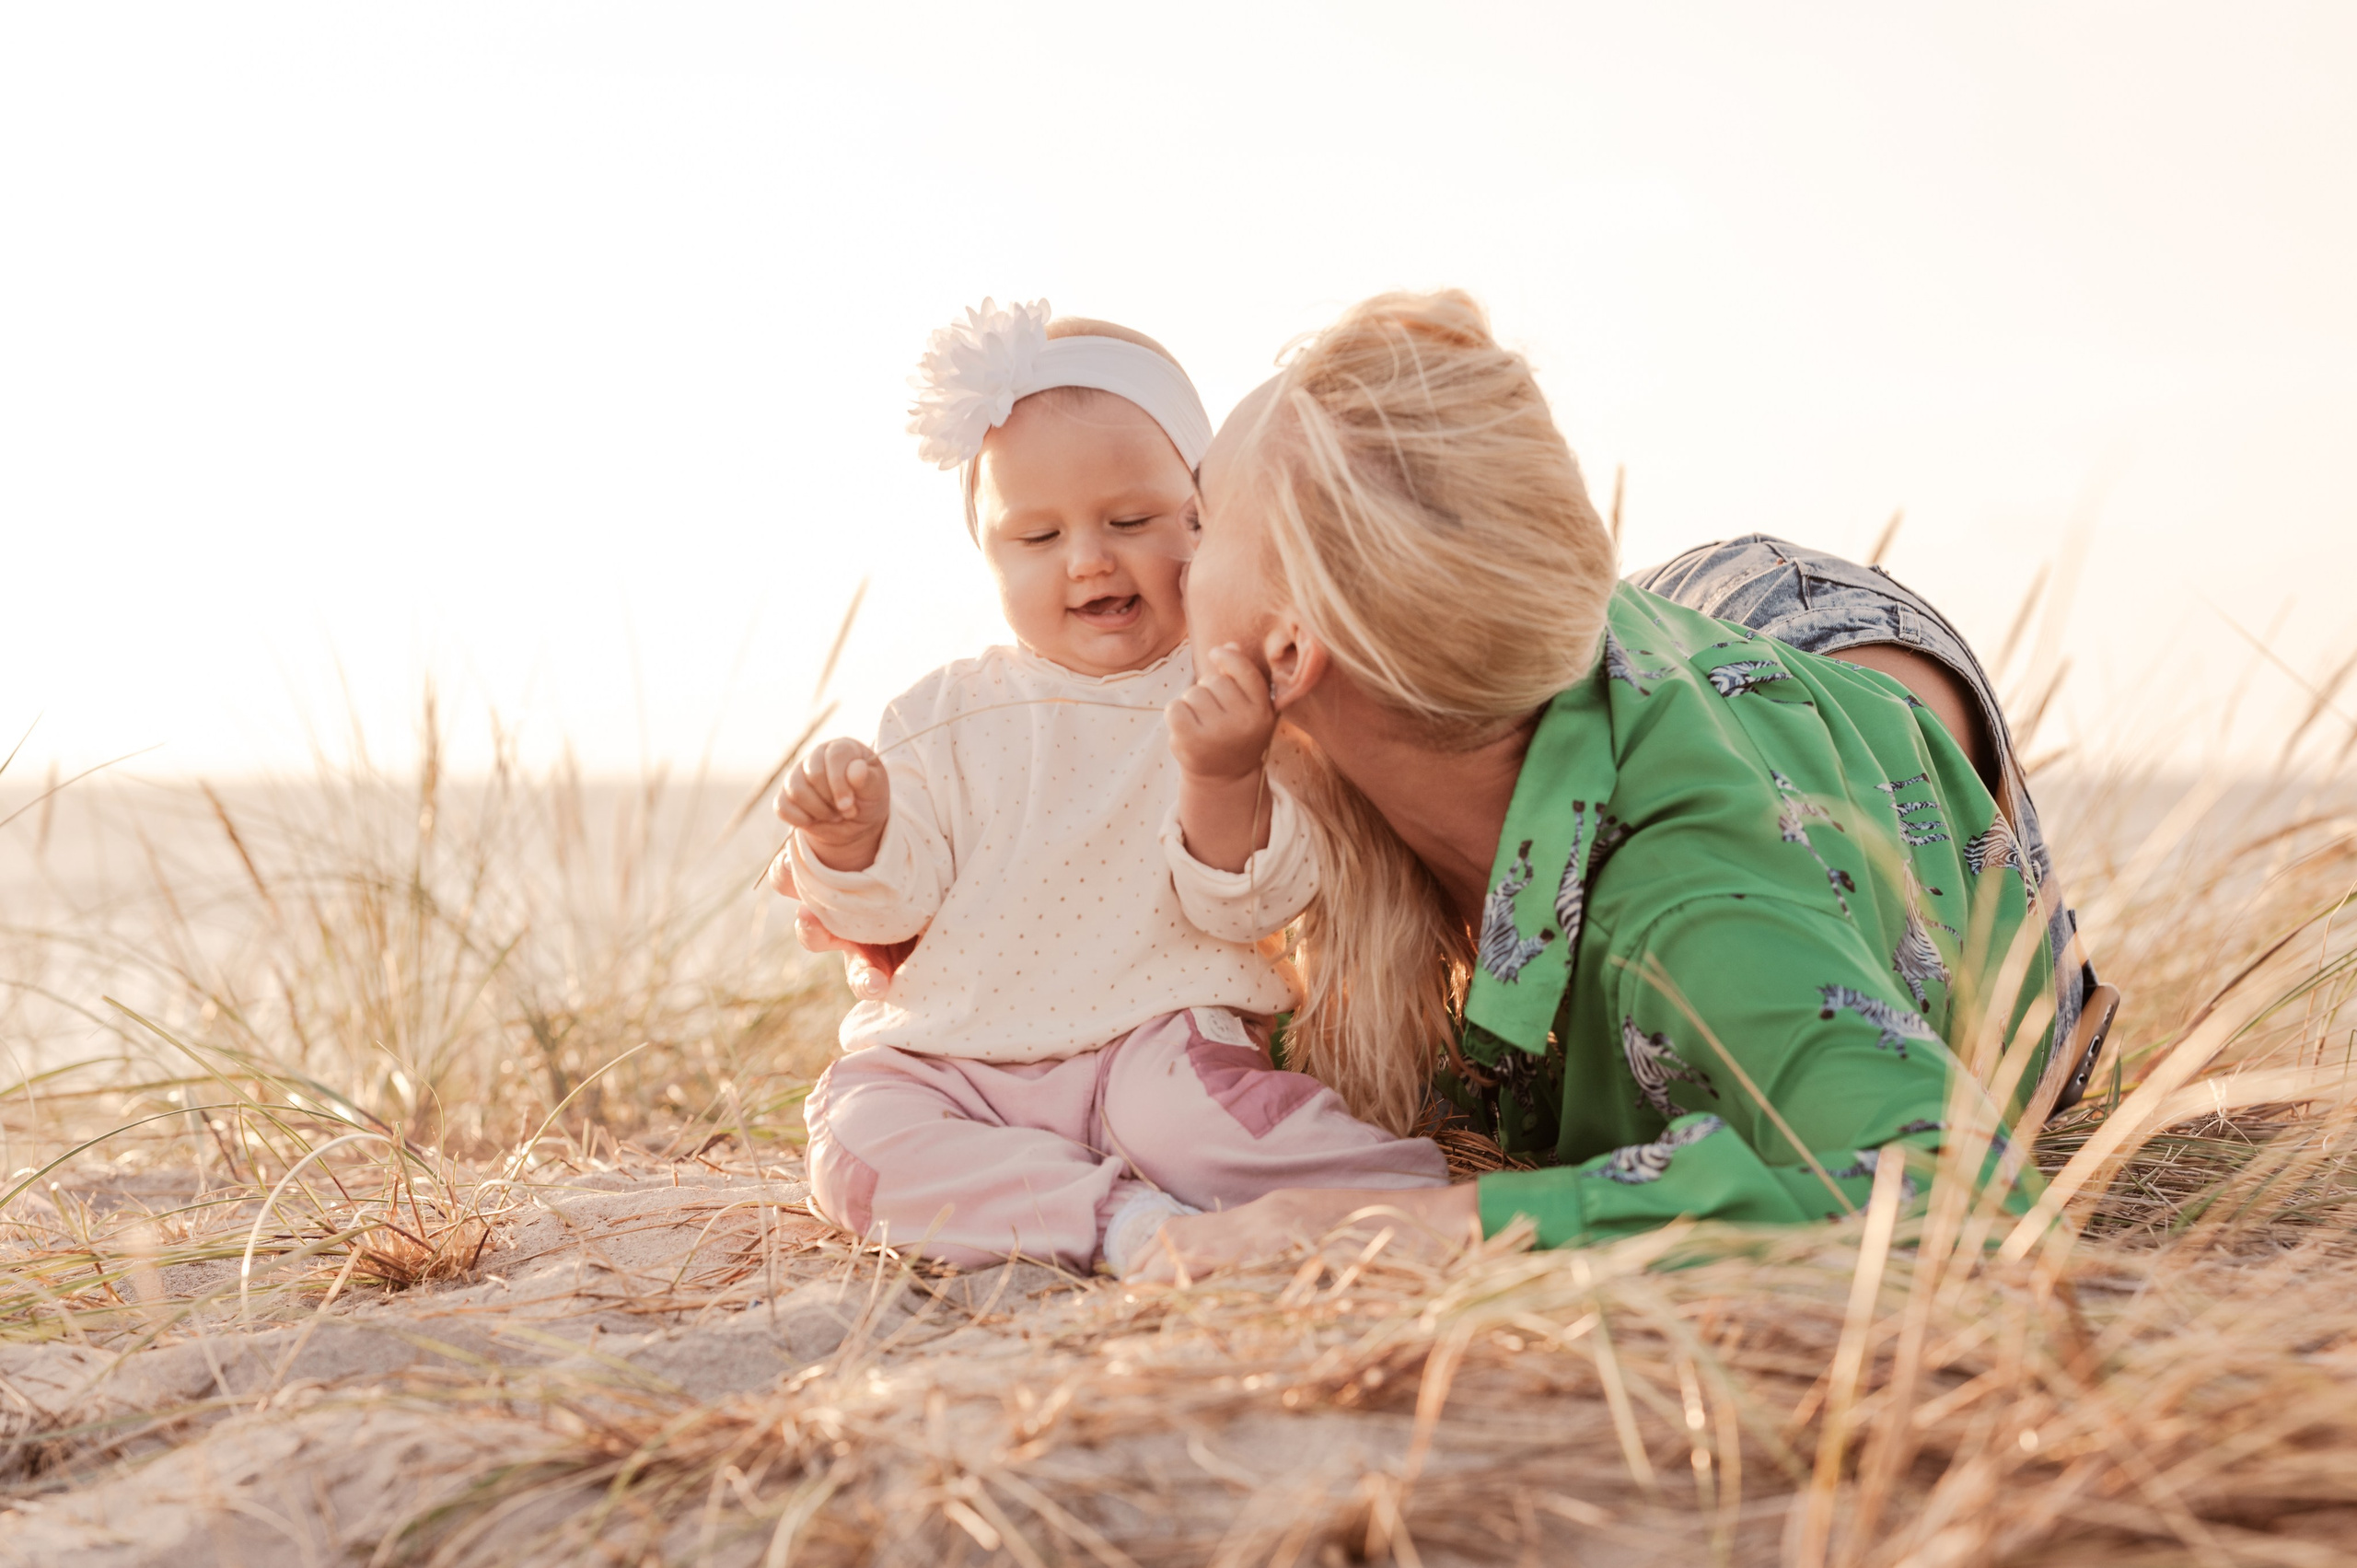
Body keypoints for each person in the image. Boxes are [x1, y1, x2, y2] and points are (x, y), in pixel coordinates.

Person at [808, 289, 2109, 1272]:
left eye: (1198, 522)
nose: (1146, 571)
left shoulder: (1689, 907)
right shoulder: (1323, 761)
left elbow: (1952, 1191)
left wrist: (1434, 1222)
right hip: (1645, 622)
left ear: (1289, 651)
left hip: (1848, 690)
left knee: (1785, 836)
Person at [768, 300, 1446, 1278]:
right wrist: (853, 841)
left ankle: (1415, 1201)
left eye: (1129, 520)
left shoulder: (1227, 686)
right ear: (988, 553)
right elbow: (894, 905)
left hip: (1154, 1036)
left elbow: (1251, 900)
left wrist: (1223, 771)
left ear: (1201, 516)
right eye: (1036, 537)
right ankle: (1135, 1228)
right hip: (953, 1055)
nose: (1088, 559)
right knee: (857, 1144)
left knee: (1207, 1129)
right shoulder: (946, 711)